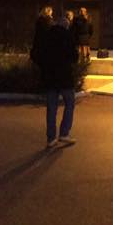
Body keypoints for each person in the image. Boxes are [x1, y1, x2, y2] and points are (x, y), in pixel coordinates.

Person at [37, 16, 78, 149]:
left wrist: (44, 67)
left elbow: (37, 54)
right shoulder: (68, 36)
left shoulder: (46, 36)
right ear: (66, 26)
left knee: (51, 108)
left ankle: (51, 138)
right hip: (65, 77)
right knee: (70, 103)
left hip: (49, 77)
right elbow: (74, 57)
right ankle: (64, 133)